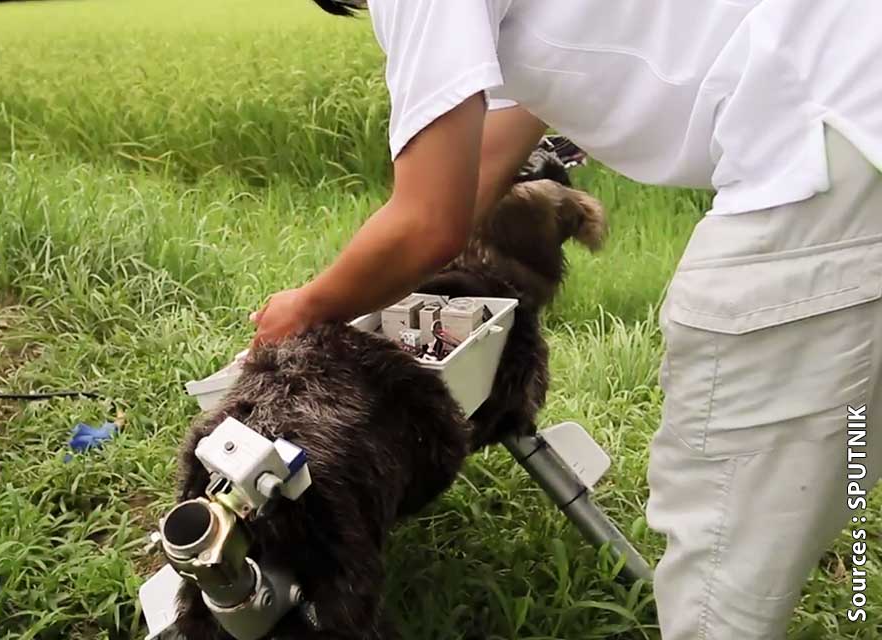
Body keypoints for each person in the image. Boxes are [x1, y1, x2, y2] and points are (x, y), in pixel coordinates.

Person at [249, 1, 882, 637]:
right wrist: (357, 287)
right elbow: (482, 168)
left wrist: (310, 306)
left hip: (822, 139)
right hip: (855, 101)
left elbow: (428, 220)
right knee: (835, 445)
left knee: (720, 539)